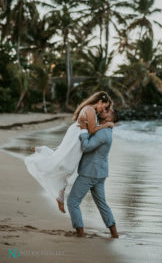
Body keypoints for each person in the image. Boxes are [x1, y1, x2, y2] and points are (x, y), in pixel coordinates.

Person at [25, 91, 113, 214]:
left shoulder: (91, 110)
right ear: (99, 101)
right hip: (77, 137)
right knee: (65, 164)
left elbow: (90, 129)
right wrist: (107, 125)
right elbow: (92, 130)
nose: (105, 108)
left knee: (67, 164)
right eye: (105, 106)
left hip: (77, 135)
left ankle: (60, 194)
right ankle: (43, 152)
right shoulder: (90, 110)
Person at [67, 109, 119, 238]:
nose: (104, 111)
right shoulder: (105, 129)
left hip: (90, 172)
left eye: (108, 112)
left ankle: (80, 233)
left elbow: (86, 147)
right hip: (100, 172)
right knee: (102, 204)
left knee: (72, 202)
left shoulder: (103, 133)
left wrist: (84, 131)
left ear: (110, 119)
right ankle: (114, 234)